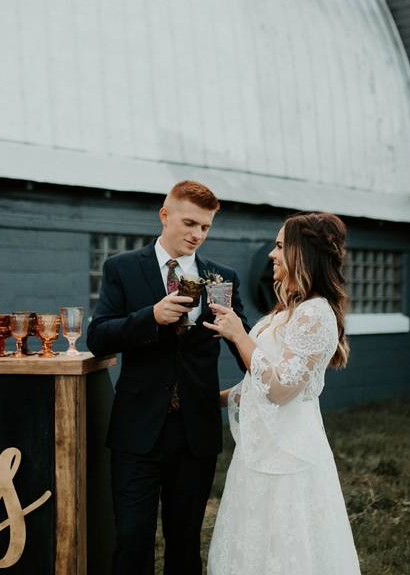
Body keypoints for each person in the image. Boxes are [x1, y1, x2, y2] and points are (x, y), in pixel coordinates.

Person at [87, 180, 250, 575]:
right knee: (132, 541)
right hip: (137, 430)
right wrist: (151, 317)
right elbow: (98, 337)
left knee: (185, 542)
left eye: (205, 228)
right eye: (190, 223)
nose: (197, 235)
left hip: (195, 433)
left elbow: (246, 347)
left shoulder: (220, 277)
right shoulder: (123, 269)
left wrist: (239, 331)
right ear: (165, 215)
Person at [204, 212, 361, 575]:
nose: (272, 255)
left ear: (301, 254)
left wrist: (239, 335)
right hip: (261, 450)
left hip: (289, 455)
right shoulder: (286, 311)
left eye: (279, 246)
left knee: (285, 544)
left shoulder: (315, 314)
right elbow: (256, 386)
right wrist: (212, 398)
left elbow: (279, 389)